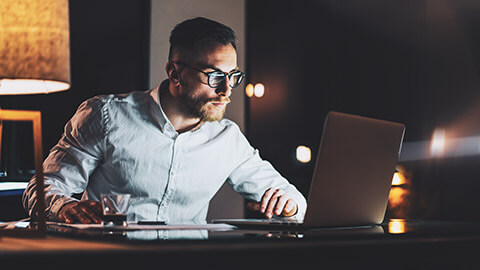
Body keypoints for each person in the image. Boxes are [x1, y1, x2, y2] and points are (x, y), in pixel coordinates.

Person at [23, 17, 307, 224]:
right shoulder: (105, 115)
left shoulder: (228, 139)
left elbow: (296, 201)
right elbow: (41, 187)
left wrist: (289, 205)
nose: (226, 90)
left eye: (233, 76)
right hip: (111, 261)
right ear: (175, 74)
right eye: (214, 76)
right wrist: (64, 208)